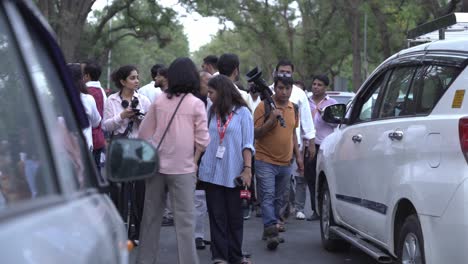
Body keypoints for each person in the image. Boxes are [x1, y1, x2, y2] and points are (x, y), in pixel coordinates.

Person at [137, 57, 210, 264]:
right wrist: (194, 160)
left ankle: (145, 260)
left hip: (157, 167)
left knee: (151, 218)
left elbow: (143, 133)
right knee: (185, 222)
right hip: (184, 170)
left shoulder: (159, 101)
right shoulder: (196, 104)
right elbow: (203, 139)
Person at [198, 74, 254, 264]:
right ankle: (219, 256)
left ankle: (235, 256)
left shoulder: (243, 113)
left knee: (234, 219)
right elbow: (204, 139)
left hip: (234, 173)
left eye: (211, 92)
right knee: (216, 217)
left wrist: (247, 169)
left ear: (222, 92)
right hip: (211, 172)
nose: (209, 96)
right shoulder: (211, 111)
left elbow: (248, 143)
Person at [102, 65, 151, 244]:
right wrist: (122, 115)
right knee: (119, 191)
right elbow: (106, 126)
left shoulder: (144, 100)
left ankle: (137, 233)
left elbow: (152, 127)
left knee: (139, 193)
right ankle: (119, 231)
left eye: (137, 77)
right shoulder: (111, 100)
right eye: (132, 78)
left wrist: (140, 118)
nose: (136, 81)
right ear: (122, 81)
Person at [254, 74, 302, 250]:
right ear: (274, 88)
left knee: (279, 199)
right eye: (280, 88)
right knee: (267, 196)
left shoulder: (294, 108)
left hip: (285, 162)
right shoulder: (263, 106)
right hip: (264, 160)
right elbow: (256, 133)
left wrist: (299, 157)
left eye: (287, 88)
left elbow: (293, 134)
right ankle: (272, 232)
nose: (284, 92)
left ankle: (269, 227)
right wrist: (271, 120)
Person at [271, 60, 316, 222]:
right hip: (269, 147)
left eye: (287, 72)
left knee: (293, 179)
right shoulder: (269, 92)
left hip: (293, 145)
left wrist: (310, 142)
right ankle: (278, 214)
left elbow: (306, 121)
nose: (284, 75)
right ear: (276, 73)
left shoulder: (299, 94)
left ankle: (287, 210)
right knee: (277, 185)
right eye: (281, 72)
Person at [302, 74, 338, 221]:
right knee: (310, 178)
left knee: (324, 178)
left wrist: (326, 116)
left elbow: (336, 124)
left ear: (326, 87)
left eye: (320, 85)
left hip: (325, 146)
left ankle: (326, 209)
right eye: (314, 84)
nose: (316, 87)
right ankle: (314, 209)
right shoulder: (305, 101)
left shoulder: (332, 103)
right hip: (309, 145)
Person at [194, 70, 212, 250]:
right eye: (207, 82)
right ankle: (196, 235)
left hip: (212, 155)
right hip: (196, 155)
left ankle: (203, 234)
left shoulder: (213, 102)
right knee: (198, 198)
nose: (209, 85)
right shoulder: (194, 102)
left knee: (208, 198)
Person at [67, 63, 101, 152]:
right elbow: (96, 122)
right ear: (81, 79)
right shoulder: (88, 99)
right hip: (84, 150)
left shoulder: (59, 100)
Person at [82, 60, 106, 175]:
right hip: (99, 138)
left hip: (89, 139)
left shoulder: (85, 93)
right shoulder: (102, 91)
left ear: (87, 76)